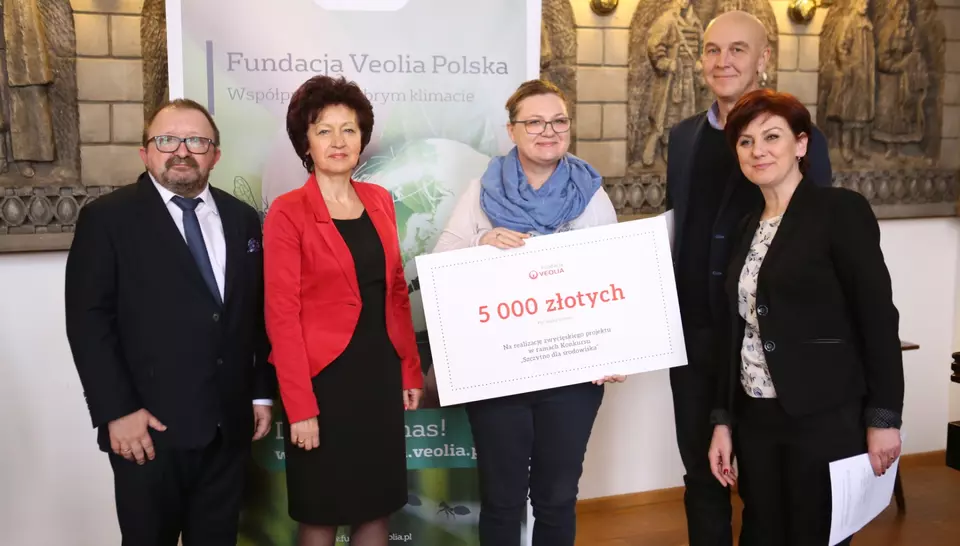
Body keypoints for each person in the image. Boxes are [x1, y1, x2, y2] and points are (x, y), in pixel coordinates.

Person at [64, 98, 275, 546]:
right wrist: (117, 411)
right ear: (145, 153)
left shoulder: (242, 218)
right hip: (147, 429)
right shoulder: (107, 219)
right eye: (167, 140)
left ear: (215, 154)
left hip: (227, 427)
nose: (182, 150)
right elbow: (88, 322)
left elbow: (254, 313)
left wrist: (260, 392)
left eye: (196, 141)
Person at [662, 10, 833, 546]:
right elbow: (678, 226)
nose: (723, 61)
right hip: (693, 337)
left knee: (764, 482)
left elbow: (814, 238)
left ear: (764, 59)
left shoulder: (801, 137)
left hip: (763, 340)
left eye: (738, 49)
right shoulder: (682, 137)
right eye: (713, 49)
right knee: (702, 475)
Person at [707, 88, 904, 545]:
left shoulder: (841, 211)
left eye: (771, 137)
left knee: (817, 534)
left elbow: (878, 319)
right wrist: (723, 421)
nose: (758, 150)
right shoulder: (746, 226)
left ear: (800, 144)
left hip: (825, 415)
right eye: (745, 141)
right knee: (760, 533)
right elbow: (735, 333)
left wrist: (884, 418)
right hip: (756, 415)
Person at [432, 79, 623, 546]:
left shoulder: (590, 193)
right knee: (502, 498)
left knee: (557, 498)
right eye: (534, 122)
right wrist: (482, 240)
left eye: (558, 121)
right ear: (512, 130)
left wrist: (615, 351)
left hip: (571, 372)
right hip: (499, 371)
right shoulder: (482, 190)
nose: (548, 131)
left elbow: (615, 277)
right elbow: (440, 264)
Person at [263, 74, 423, 546]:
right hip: (322, 385)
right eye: (324, 130)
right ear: (306, 143)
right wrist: (300, 407)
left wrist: (410, 370)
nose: (338, 141)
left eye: (348, 129)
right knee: (321, 511)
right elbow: (281, 316)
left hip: (378, 378)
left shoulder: (380, 200)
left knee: (376, 507)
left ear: (362, 138)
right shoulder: (287, 211)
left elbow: (395, 292)